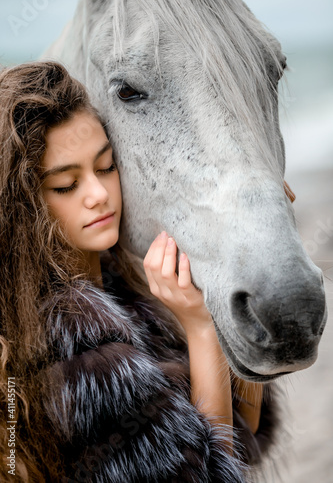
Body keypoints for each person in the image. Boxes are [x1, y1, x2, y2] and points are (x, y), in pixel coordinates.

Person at [0, 61, 277, 482]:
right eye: (65, 185)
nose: (98, 194)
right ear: (22, 207)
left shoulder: (122, 282)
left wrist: (249, 258)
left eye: (106, 166)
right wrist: (201, 329)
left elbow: (244, 430)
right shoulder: (74, 355)